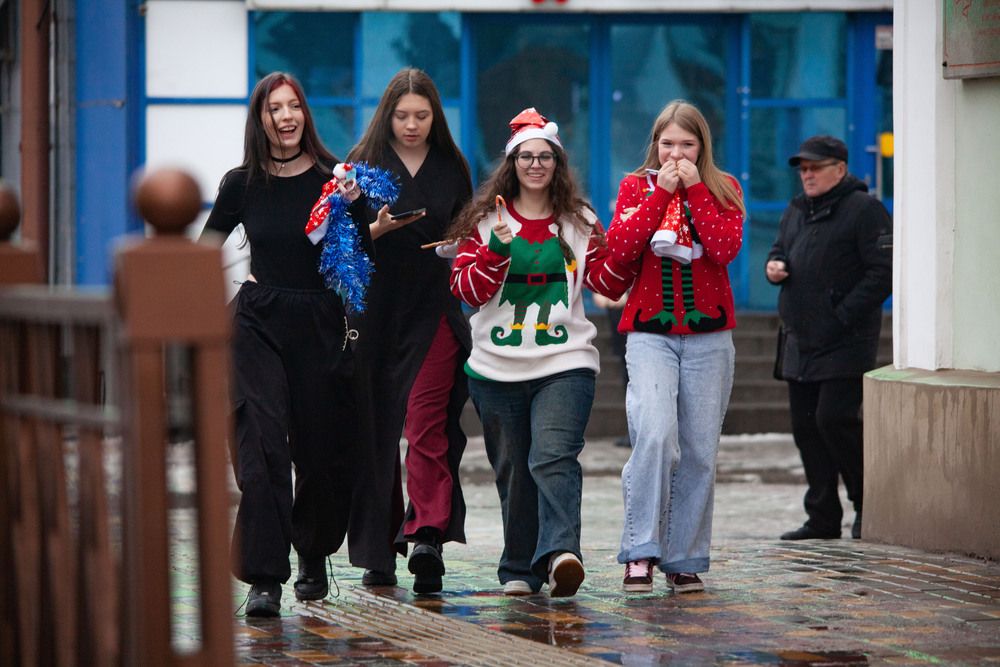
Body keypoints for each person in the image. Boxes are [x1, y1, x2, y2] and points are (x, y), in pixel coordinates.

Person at [201, 72, 373, 616]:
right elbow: (203, 250)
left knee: (320, 453)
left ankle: (312, 553)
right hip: (257, 320)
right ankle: (264, 577)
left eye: (293, 105)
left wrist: (356, 206)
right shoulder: (241, 183)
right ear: (261, 119)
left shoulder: (333, 178)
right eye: (274, 108)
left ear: (305, 113)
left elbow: (359, 253)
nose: (285, 116)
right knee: (262, 449)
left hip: (320, 320)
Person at [448, 108, 633, 597]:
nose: (535, 164)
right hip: (494, 367)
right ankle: (519, 569)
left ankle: (560, 555)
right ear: (512, 164)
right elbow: (465, 289)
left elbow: (607, 282)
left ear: (557, 163)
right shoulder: (485, 220)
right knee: (513, 469)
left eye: (545, 156)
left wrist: (624, 240)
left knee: (552, 456)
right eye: (526, 156)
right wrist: (493, 253)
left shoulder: (580, 221)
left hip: (564, 361)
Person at [605, 100, 745, 595]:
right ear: (655, 144)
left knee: (701, 451)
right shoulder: (633, 187)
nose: (676, 154)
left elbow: (724, 247)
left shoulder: (724, 187)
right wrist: (659, 194)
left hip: (710, 338)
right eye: (668, 144)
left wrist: (696, 190)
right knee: (656, 435)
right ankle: (640, 551)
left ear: (701, 146)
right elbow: (619, 248)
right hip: (650, 334)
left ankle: (684, 557)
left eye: (687, 145)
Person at [345, 68, 474, 595]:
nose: (412, 125)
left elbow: (469, 234)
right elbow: (338, 246)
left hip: (434, 307)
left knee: (426, 423)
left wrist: (456, 249)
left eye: (422, 115)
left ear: (435, 117)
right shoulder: (362, 164)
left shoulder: (452, 166)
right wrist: (374, 230)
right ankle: (378, 547)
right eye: (402, 116)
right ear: (387, 115)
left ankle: (426, 536)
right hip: (375, 310)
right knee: (377, 428)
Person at [765, 135, 892, 541]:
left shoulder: (864, 210)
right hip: (799, 338)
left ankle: (867, 503)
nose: (807, 175)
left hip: (844, 340)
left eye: (815, 167)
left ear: (840, 169)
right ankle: (822, 516)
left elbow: (882, 273)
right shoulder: (796, 210)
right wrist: (774, 265)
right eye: (803, 169)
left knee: (833, 419)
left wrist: (840, 316)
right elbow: (779, 248)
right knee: (805, 428)